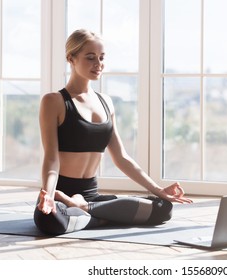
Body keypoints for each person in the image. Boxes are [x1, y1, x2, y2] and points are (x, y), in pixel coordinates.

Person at [33, 29, 192, 235]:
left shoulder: (106, 102)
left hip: (91, 197)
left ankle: (85, 210)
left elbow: (122, 158)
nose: (98, 64)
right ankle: (100, 214)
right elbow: (51, 157)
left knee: (164, 208)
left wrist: (158, 190)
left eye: (101, 58)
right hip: (60, 194)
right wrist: (48, 193)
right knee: (51, 221)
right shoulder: (53, 101)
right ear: (70, 58)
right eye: (90, 58)